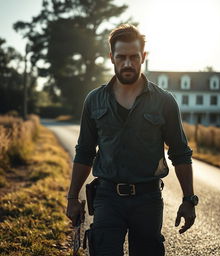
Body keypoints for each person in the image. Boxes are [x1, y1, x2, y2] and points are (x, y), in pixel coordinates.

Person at [66, 24, 198, 256]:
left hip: (148, 199)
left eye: (134, 57)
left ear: (143, 57)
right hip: (106, 198)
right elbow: (85, 151)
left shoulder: (164, 102)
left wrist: (189, 199)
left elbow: (180, 153)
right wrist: (72, 197)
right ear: (111, 58)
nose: (127, 63)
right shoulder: (94, 100)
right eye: (121, 57)